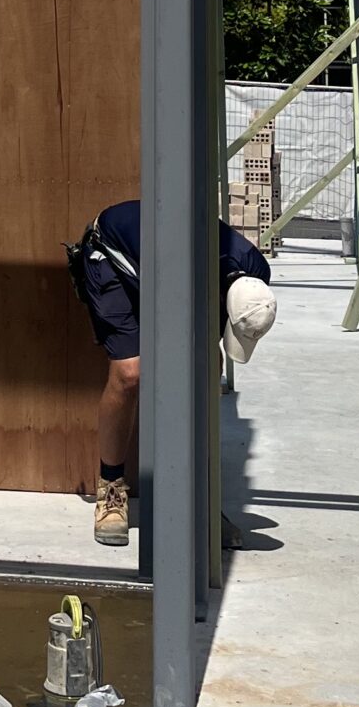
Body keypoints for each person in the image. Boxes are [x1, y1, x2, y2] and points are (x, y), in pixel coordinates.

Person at [68, 198, 278, 546]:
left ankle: (197, 497)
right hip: (113, 254)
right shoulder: (184, 273)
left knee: (204, 376)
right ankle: (111, 490)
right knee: (130, 373)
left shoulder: (257, 275)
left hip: (169, 270)